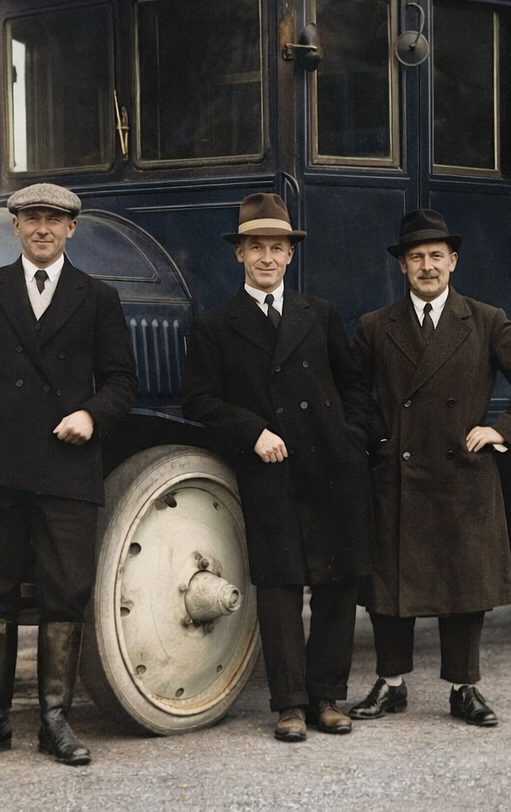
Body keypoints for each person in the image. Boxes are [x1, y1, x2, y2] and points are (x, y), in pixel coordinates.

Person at [0, 183, 137, 766]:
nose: (43, 229)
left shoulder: (97, 298)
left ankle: (55, 722)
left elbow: (122, 382)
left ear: (72, 229)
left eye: (54, 220)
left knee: (64, 594)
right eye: (31, 219)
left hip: (66, 468)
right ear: (14, 227)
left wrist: (91, 415)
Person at [181, 193, 376, 743]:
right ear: (239, 254)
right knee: (281, 587)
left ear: (291, 255)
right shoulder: (216, 326)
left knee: (337, 586)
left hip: (333, 468)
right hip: (270, 471)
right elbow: (198, 399)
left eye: (277, 248)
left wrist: (352, 437)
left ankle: (328, 698)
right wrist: (253, 432)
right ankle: (290, 704)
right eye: (256, 247)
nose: (267, 257)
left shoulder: (321, 314)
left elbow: (355, 384)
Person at [349, 208, 511, 727]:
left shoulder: (486, 320)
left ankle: (465, 689)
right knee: (390, 585)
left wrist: (501, 432)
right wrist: (379, 438)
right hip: (397, 472)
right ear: (402, 266)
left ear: (453, 262)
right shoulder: (375, 327)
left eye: (435, 257)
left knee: (464, 586)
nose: (426, 267)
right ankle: (391, 683)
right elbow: (352, 392)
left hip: (462, 473)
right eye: (416, 257)